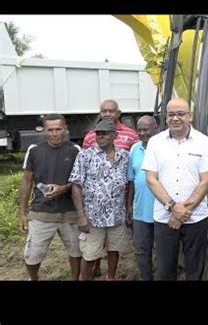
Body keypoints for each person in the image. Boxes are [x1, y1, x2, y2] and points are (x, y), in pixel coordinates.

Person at [142, 98, 208, 280]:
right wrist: (172, 207)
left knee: (195, 269)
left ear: (189, 116)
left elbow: (206, 180)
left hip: (196, 217)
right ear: (166, 117)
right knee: (165, 270)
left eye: (181, 114)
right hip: (164, 218)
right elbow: (151, 179)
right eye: (171, 114)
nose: (176, 118)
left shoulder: (205, 142)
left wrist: (184, 211)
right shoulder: (155, 142)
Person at [19, 114, 82, 280]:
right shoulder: (34, 150)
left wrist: (63, 188)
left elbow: (81, 181)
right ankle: (34, 278)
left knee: (76, 252)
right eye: (50, 130)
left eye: (58, 129)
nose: (55, 134)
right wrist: (23, 214)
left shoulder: (75, 150)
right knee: (32, 255)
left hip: (70, 212)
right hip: (41, 211)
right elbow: (26, 182)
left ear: (65, 129)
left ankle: (75, 278)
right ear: (44, 131)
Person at [82, 99, 138, 277]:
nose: (107, 114)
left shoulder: (130, 136)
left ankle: (110, 276)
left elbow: (133, 170)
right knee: (93, 247)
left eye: (110, 111)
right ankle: (95, 269)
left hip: (119, 204)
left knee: (115, 245)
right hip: (94, 206)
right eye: (103, 111)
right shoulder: (90, 137)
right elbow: (81, 174)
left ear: (118, 113)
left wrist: (128, 205)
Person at [69, 120, 130, 280]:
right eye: (98, 133)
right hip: (93, 218)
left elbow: (129, 183)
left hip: (117, 215)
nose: (100, 136)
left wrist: (128, 209)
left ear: (115, 135)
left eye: (105, 133)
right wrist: (81, 216)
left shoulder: (124, 156)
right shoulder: (85, 155)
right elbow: (76, 185)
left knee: (114, 250)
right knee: (89, 254)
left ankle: (111, 277)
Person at [126, 115, 159, 280]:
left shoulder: (165, 148)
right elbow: (131, 180)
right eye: (139, 130)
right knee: (141, 250)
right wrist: (130, 206)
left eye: (146, 129)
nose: (142, 133)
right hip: (141, 210)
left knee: (163, 251)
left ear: (156, 129)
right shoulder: (134, 149)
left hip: (162, 210)